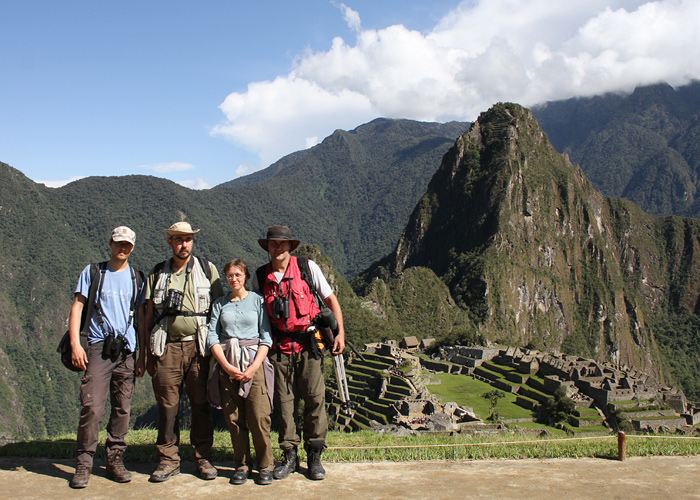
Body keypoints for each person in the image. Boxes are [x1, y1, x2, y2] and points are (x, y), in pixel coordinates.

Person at [253, 225, 345, 481]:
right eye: (273, 244)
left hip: (308, 346)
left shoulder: (307, 267)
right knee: (284, 404)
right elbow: (256, 315)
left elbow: (331, 300)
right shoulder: (260, 276)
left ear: (290, 246)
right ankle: (289, 455)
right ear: (268, 247)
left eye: (283, 243)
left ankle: (314, 456)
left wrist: (340, 333)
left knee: (315, 399)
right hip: (279, 349)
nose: (278, 247)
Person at [140, 221, 224, 483]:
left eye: (187, 239)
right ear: (170, 242)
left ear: (192, 241)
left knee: (200, 404)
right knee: (167, 406)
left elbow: (220, 309)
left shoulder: (207, 270)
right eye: (178, 239)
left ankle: (203, 457)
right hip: (166, 346)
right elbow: (146, 315)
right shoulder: (157, 274)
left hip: (198, 347)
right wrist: (145, 355)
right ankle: (168, 459)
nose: (183, 244)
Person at [68, 226, 145, 489]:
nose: (123, 248)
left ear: (132, 248)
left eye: (127, 245)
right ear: (110, 244)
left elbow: (142, 317)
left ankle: (115, 459)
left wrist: (142, 353)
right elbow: (78, 306)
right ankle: (84, 463)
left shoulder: (137, 277)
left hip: (127, 350)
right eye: (118, 243)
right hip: (98, 347)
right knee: (92, 406)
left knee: (122, 407)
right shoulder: (93, 273)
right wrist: (76, 343)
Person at [207, 259, 274, 485]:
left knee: (258, 415)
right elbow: (212, 337)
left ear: (245, 276)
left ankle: (265, 465)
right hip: (228, 363)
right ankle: (242, 464)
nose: (234, 279)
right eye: (229, 275)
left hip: (253, 363)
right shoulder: (220, 304)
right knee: (234, 418)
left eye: (238, 274)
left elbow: (266, 337)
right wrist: (226, 366)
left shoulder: (258, 301)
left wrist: (253, 368)